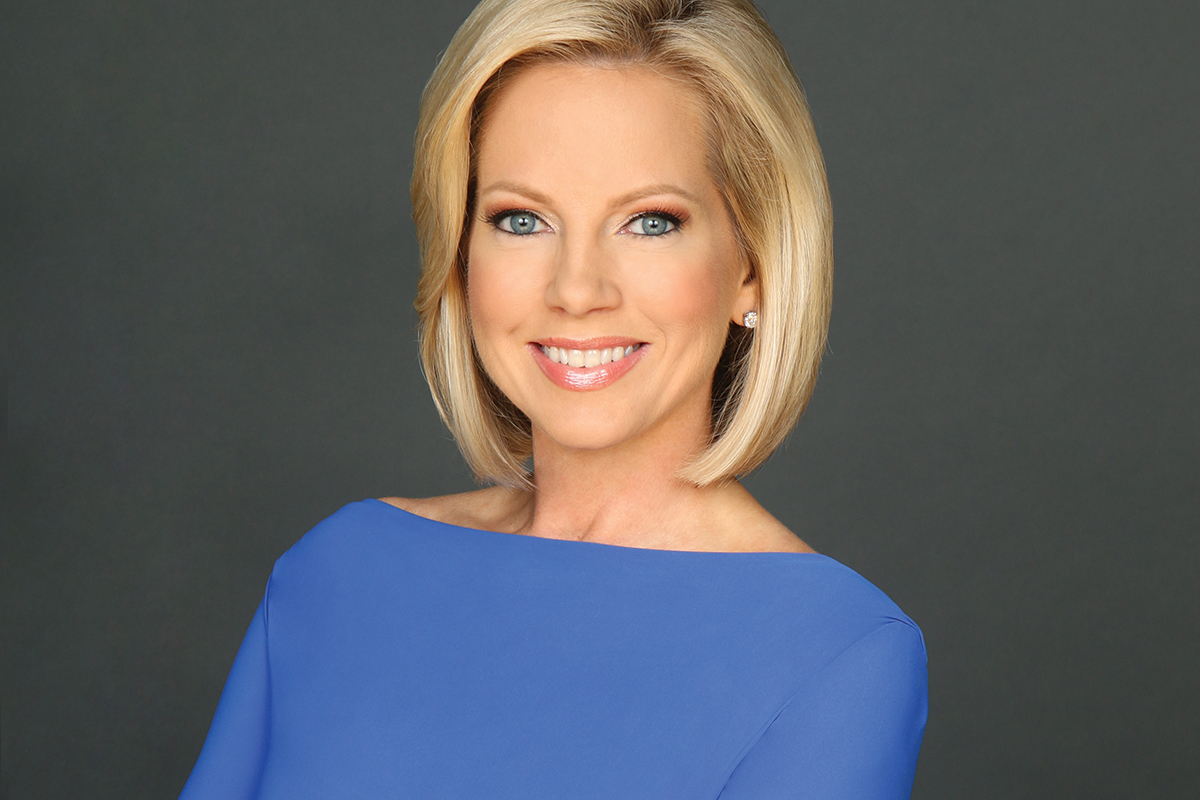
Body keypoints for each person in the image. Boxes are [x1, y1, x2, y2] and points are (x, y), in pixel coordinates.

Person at [179, 0, 928, 797]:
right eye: (522, 219)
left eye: (649, 222)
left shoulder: (838, 654)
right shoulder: (338, 571)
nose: (576, 289)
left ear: (752, 265)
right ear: (460, 254)